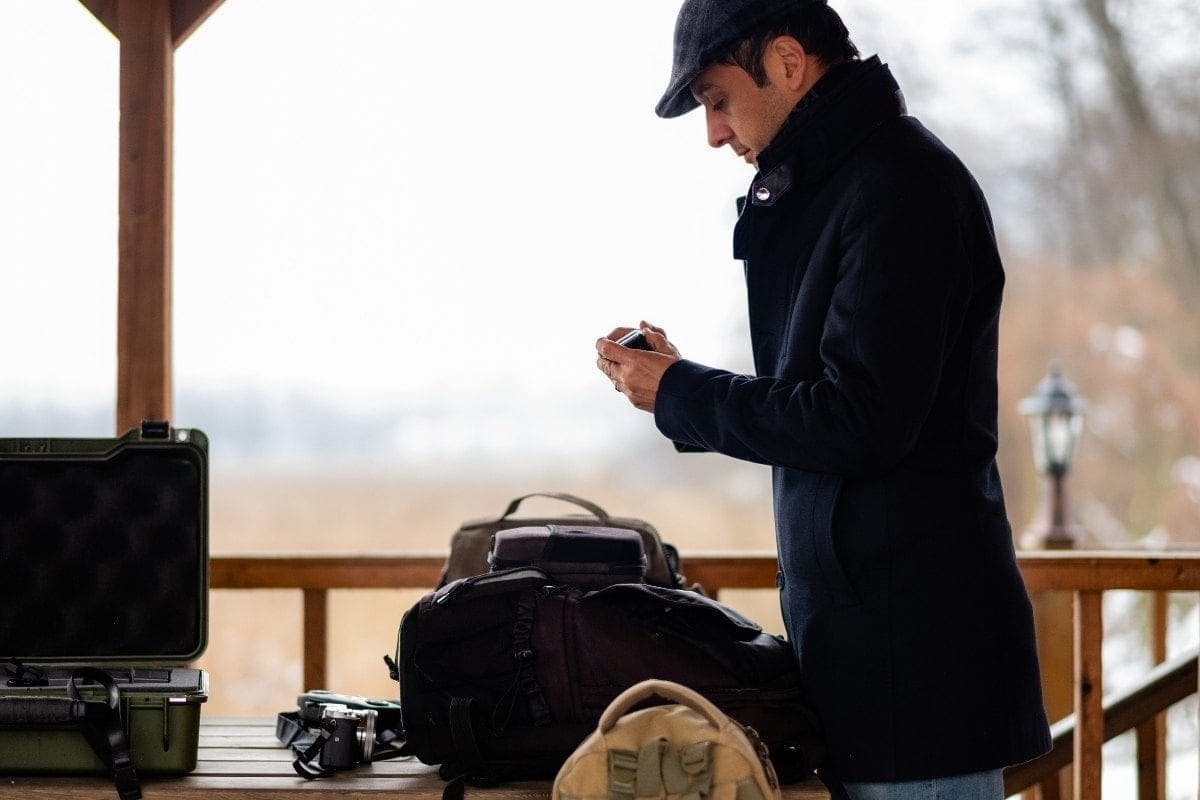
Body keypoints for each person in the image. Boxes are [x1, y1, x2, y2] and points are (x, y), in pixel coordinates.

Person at [594, 0, 1053, 797]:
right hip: (872, 672)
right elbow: (824, 405)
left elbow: (861, 419)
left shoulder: (901, 186)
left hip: (917, 685)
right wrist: (683, 386)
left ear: (787, 62)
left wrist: (683, 393)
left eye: (717, 100)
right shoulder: (845, 188)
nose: (714, 134)